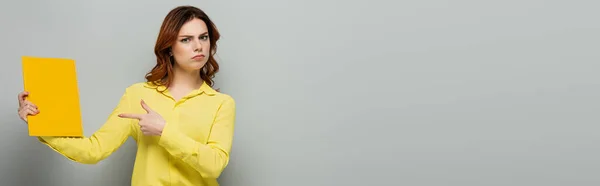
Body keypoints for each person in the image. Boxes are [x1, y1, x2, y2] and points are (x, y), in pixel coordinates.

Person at [16, 5, 235, 186]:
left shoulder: (221, 104)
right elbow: (94, 149)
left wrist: (164, 131)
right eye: (186, 39)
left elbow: (215, 164)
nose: (198, 46)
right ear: (169, 47)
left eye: (203, 37)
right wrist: (41, 124)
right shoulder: (138, 95)